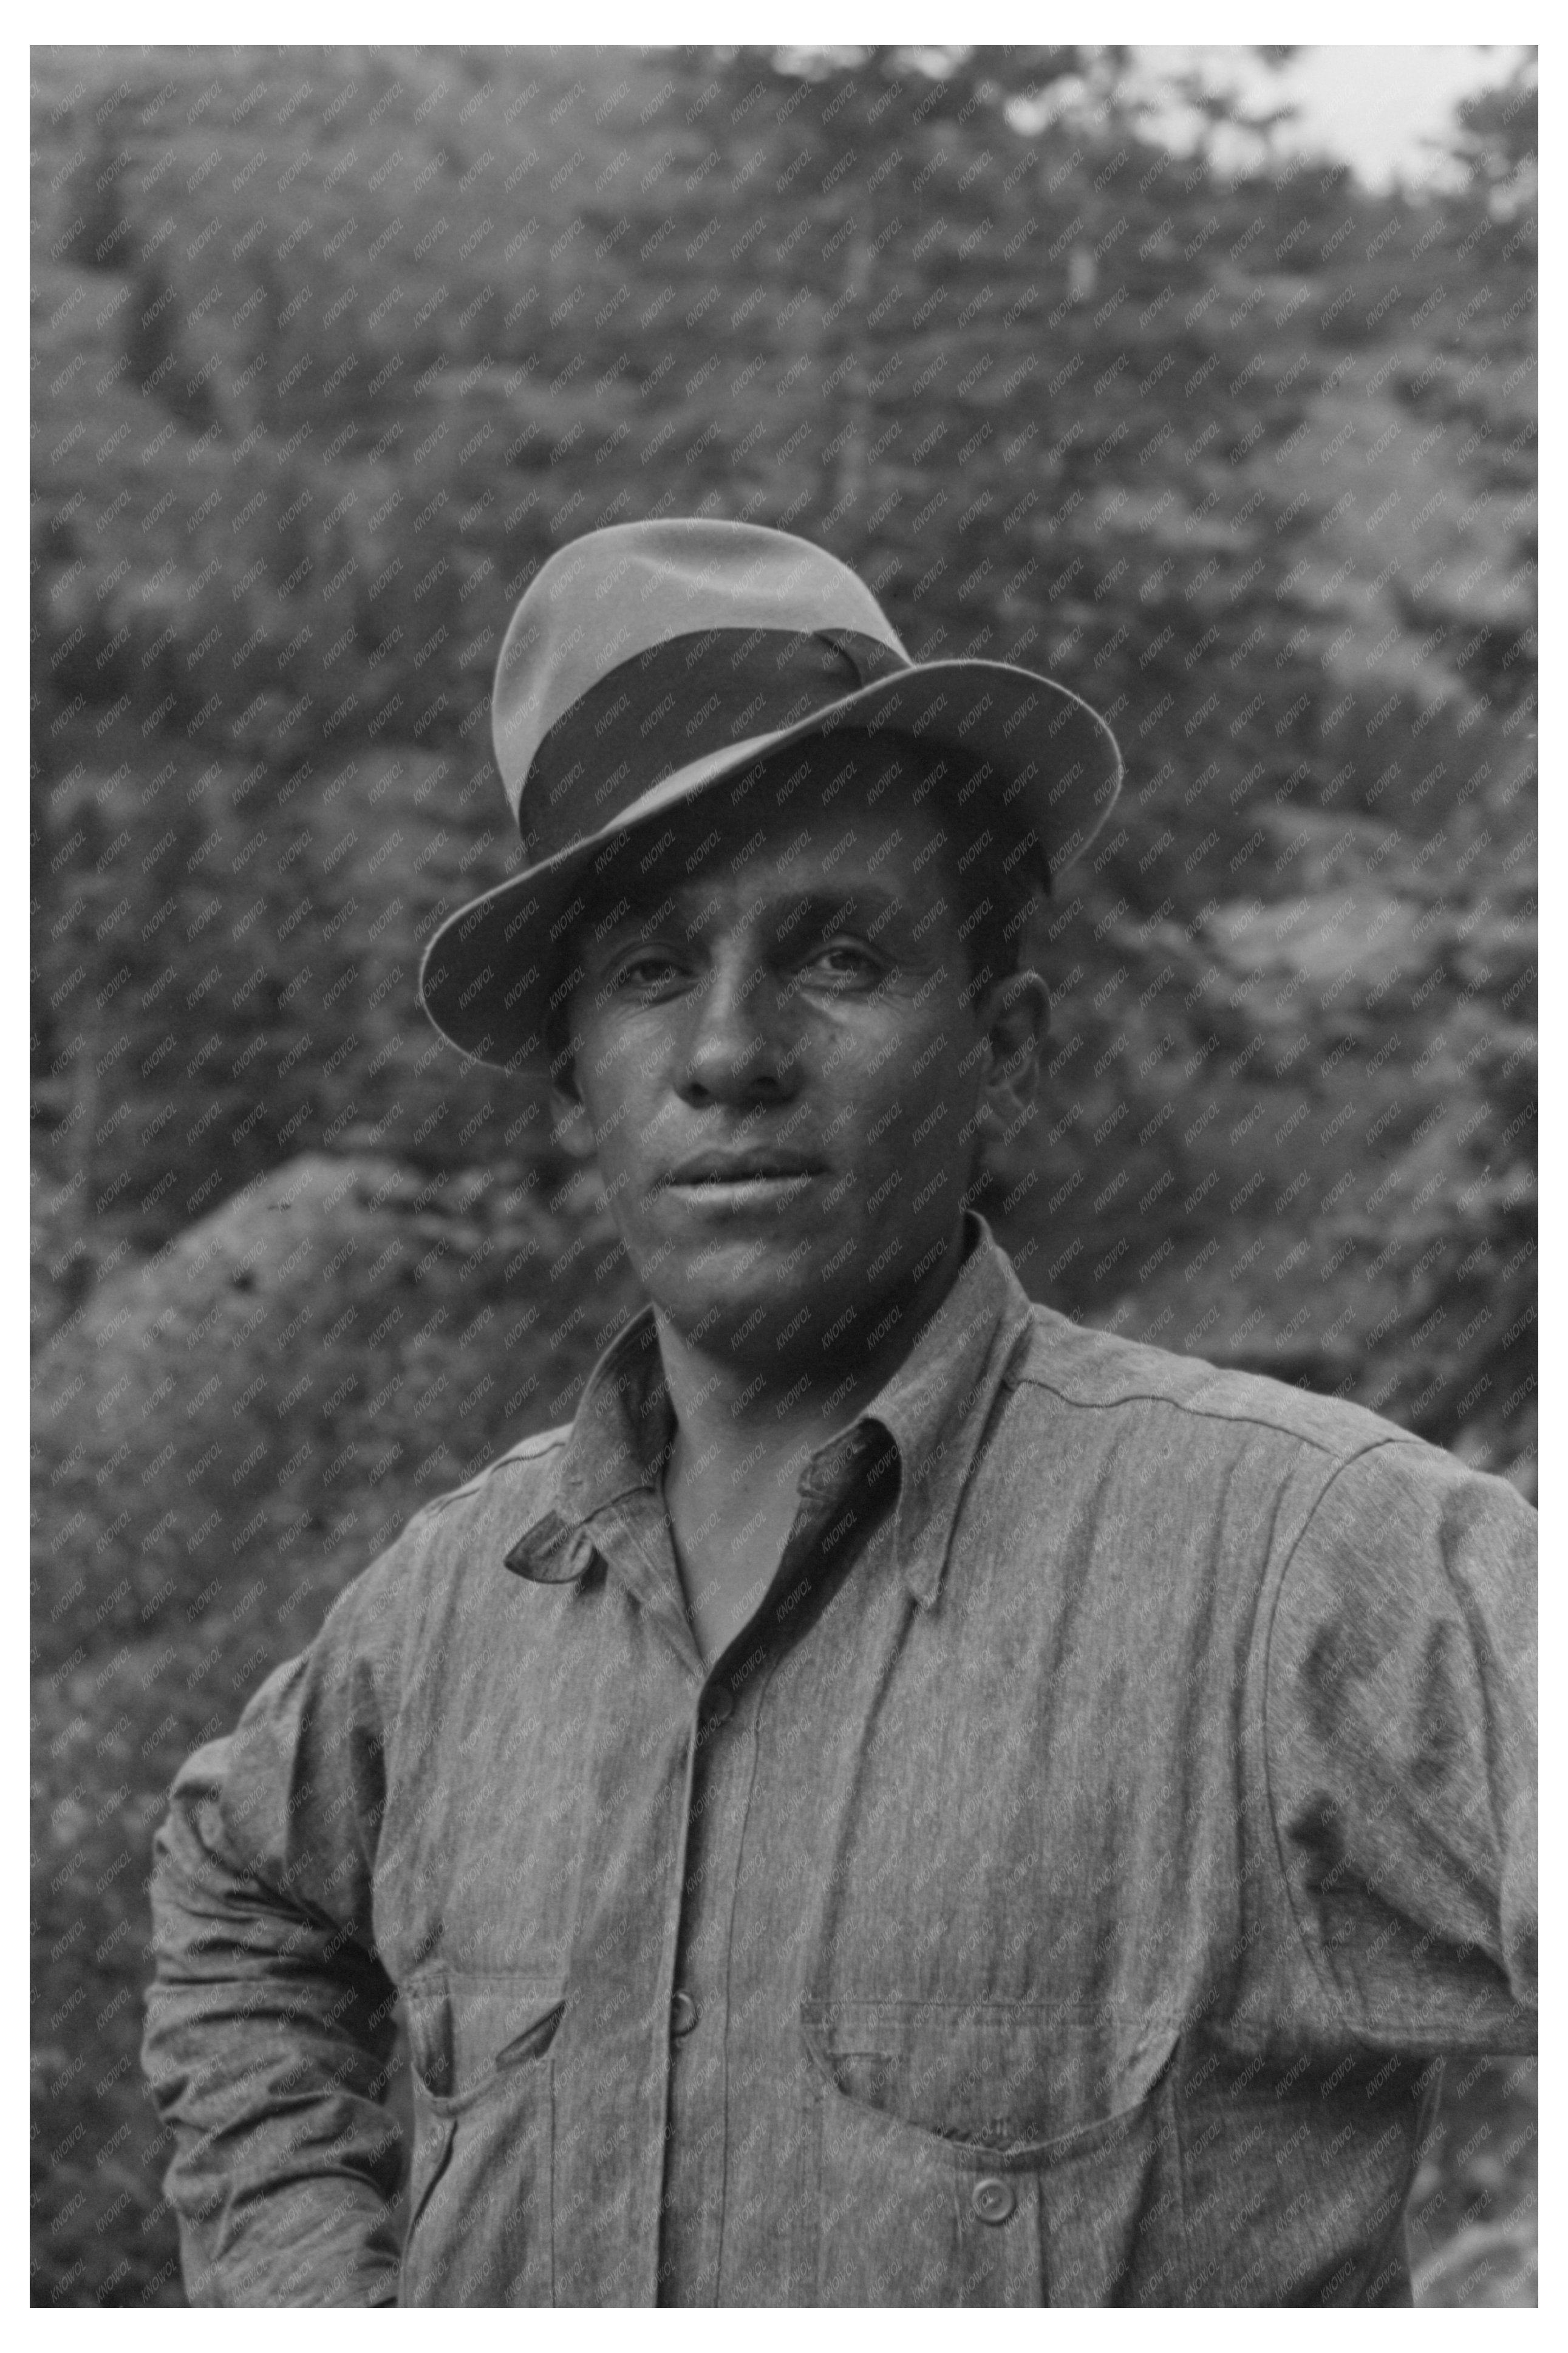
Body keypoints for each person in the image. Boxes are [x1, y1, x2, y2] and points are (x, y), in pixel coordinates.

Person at [143, 518, 1536, 2307]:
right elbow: (236, 1892)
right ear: (579, 1071)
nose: (730, 1048)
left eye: (837, 956)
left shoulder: (1298, 1569)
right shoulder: (444, 1610)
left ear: (1006, 1041)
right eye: (651, 969)